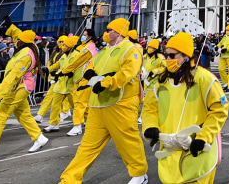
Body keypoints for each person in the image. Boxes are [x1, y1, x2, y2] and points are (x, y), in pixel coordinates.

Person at [60, 18, 148, 184]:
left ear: (120, 32)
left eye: (110, 30)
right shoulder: (105, 50)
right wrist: (92, 76)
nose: (106, 32)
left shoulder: (131, 49)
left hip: (121, 104)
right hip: (98, 104)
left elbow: (127, 73)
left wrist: (105, 83)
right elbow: (92, 65)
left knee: (128, 142)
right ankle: (69, 179)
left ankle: (139, 174)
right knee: (87, 147)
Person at [142, 32, 228, 184]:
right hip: (170, 157)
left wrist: (203, 137)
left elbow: (219, 110)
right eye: (166, 55)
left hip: (198, 154)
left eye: (172, 56)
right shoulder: (160, 82)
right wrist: (150, 127)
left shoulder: (204, 78)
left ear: (186, 56)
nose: (167, 59)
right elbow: (150, 109)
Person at [0, 26, 48, 165]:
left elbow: (13, 76)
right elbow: (19, 35)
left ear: (22, 41)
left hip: (18, 88)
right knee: (23, 115)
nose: (15, 41)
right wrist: (10, 26)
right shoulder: (27, 48)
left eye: (18, 40)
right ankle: (39, 137)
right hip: (20, 87)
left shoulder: (25, 54)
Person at [40, 36, 77, 131]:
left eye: (65, 44)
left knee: (76, 105)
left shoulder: (76, 55)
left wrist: (64, 72)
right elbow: (57, 65)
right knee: (55, 104)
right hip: (61, 84)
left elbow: (74, 68)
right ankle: (54, 124)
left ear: (70, 46)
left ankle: (84, 120)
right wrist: (48, 69)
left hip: (70, 85)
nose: (62, 46)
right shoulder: (64, 56)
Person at [64, 30, 97, 136]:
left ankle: (77, 126)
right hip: (80, 78)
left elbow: (77, 61)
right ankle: (92, 122)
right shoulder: (85, 46)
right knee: (84, 104)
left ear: (90, 37)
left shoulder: (88, 48)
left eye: (84, 35)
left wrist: (64, 71)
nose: (82, 36)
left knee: (79, 103)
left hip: (85, 78)